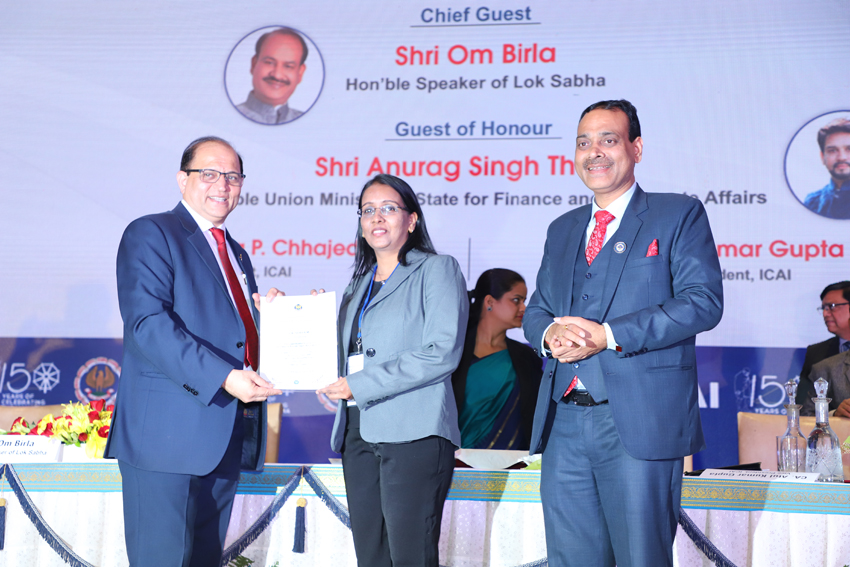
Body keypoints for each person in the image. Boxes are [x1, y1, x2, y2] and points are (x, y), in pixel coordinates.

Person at [522, 100, 723, 567]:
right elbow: (538, 309)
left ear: (636, 148)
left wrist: (608, 335)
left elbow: (702, 302)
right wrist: (550, 333)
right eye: (583, 142)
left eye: (608, 140)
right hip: (564, 423)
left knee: (640, 558)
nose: (594, 152)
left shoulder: (678, 214)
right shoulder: (562, 228)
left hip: (640, 421)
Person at [105, 136, 283, 566]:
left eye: (233, 176)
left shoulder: (237, 254)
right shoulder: (152, 233)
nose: (222, 185)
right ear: (182, 179)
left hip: (223, 437)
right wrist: (225, 377)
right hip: (165, 440)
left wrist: (278, 321)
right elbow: (149, 325)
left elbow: (235, 336)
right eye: (209, 173)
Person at [317, 174, 467, 567]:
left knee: (410, 556)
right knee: (371, 557)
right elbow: (349, 354)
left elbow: (441, 352)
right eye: (368, 210)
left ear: (412, 220)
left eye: (388, 208)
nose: (377, 217)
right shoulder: (357, 286)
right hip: (357, 430)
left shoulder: (437, 269)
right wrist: (300, 317)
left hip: (414, 431)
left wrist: (360, 384)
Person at [452, 269, 542, 449]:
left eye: (524, 301)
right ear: (490, 302)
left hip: (513, 462)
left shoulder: (527, 358)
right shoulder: (453, 352)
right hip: (455, 458)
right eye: (516, 300)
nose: (523, 308)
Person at [237, 27, 308, 125]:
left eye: (288, 66)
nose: (277, 75)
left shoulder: (310, 124)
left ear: (300, 73)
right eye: (269, 62)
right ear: (254, 64)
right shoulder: (225, 119)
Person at [797, 281, 850, 411]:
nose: (826, 314)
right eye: (824, 308)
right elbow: (804, 409)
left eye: (832, 306)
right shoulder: (816, 353)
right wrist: (834, 414)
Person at [803, 118, 850, 219]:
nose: (842, 157)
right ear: (822, 157)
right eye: (832, 150)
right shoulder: (812, 203)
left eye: (849, 149)